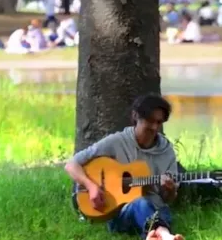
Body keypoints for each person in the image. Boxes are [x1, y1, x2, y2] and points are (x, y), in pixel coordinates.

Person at [64, 94, 184, 240]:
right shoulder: (116, 141)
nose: (154, 127)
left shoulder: (166, 150)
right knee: (141, 203)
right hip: (120, 214)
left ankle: (157, 235)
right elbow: (72, 164)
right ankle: (165, 234)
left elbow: (167, 199)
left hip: (157, 209)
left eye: (159, 122)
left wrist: (170, 190)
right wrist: (91, 186)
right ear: (135, 116)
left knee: (153, 208)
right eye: (150, 121)